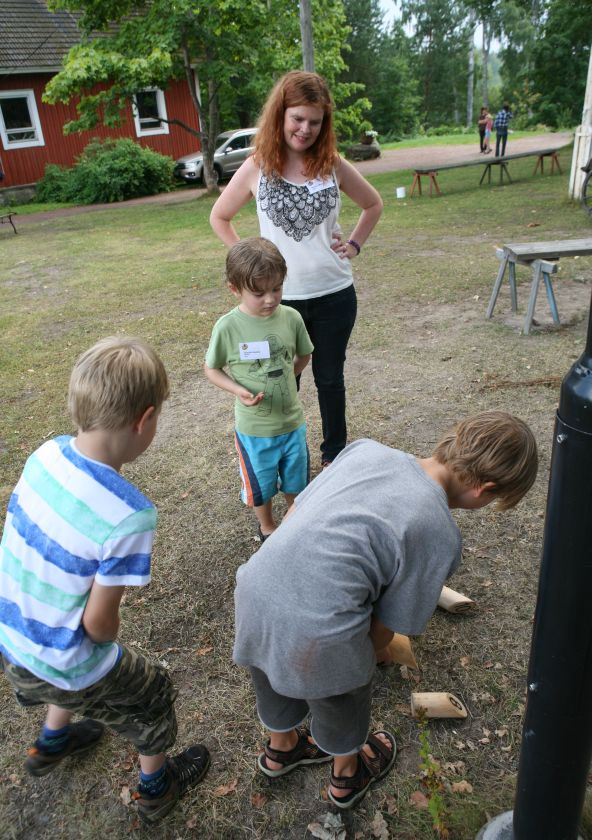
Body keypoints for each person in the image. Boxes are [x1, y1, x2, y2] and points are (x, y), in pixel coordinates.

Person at [233, 411, 538, 809]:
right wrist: (371, 654)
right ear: (486, 489)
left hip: (255, 592)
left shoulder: (365, 450)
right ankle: (346, 776)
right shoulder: (439, 531)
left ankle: (282, 749)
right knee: (342, 692)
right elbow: (385, 628)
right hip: (319, 633)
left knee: (271, 670)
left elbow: (294, 514)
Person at [0, 337, 210, 823]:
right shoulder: (128, 514)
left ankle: (53, 739)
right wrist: (110, 636)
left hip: (14, 644)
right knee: (152, 693)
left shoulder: (44, 454)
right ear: (144, 420)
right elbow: (98, 628)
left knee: (73, 673)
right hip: (61, 660)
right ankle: (156, 788)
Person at [210, 70, 383, 468]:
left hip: (334, 294)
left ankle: (334, 457)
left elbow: (373, 204)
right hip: (279, 301)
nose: (305, 129)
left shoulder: (332, 164)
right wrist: (251, 262)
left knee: (330, 379)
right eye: (298, 118)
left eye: (315, 122)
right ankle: (284, 457)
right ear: (281, 115)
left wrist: (354, 245)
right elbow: (219, 216)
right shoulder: (257, 167)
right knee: (283, 380)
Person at [204, 237, 313, 540]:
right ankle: (267, 527)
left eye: (277, 288)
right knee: (261, 485)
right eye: (259, 293)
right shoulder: (228, 327)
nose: (270, 299)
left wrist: (288, 375)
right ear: (234, 289)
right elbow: (211, 369)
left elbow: (304, 354)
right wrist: (237, 389)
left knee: (296, 480)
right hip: (254, 430)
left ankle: (297, 523)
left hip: (291, 423)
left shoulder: (291, 318)